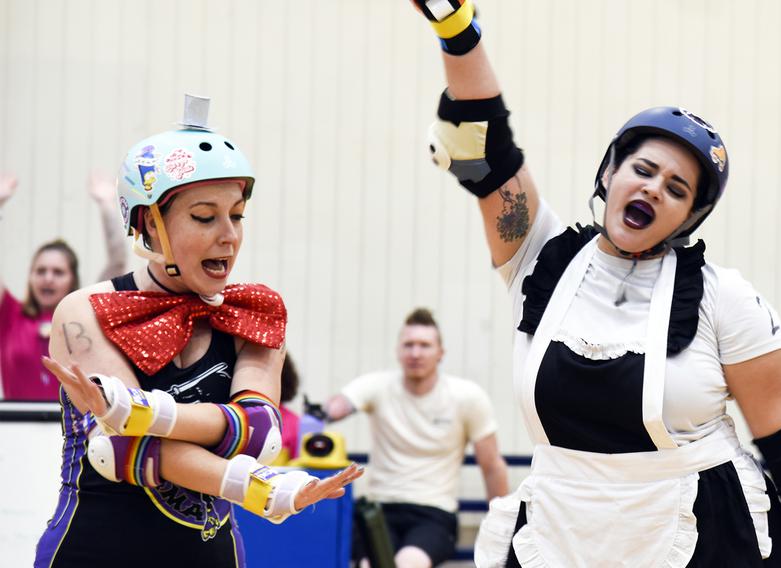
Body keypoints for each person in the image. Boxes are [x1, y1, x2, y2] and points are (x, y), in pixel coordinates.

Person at [408, 3, 781, 567]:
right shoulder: (539, 256)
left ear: (689, 217)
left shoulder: (728, 299)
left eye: (676, 189)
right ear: (610, 173)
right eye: (643, 171)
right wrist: (457, 31)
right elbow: (481, 146)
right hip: (562, 527)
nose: (652, 190)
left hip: (700, 528)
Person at [34, 95, 363, 568]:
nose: (229, 235)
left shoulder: (254, 309)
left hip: (208, 553)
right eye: (205, 216)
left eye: (237, 214)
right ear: (151, 224)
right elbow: (124, 450)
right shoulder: (85, 310)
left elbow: (261, 436)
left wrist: (140, 410)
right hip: (94, 548)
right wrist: (259, 486)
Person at [326, 307, 509, 568]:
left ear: (440, 353)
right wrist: (324, 413)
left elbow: (492, 466)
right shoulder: (378, 386)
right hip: (379, 509)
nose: (415, 353)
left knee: (407, 565)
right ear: (398, 351)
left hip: (434, 513)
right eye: (409, 345)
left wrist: (502, 526)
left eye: (424, 345)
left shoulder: (467, 397)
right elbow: (340, 404)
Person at [0, 173, 127, 400]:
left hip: (73, 430)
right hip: (16, 428)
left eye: (58, 272)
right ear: (30, 277)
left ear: (72, 279)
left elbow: (117, 261)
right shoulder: (10, 314)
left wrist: (107, 204)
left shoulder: (86, 314)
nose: (48, 278)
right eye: (40, 271)